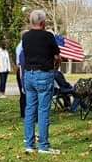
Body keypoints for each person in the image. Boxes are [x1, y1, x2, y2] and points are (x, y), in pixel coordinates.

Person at [21, 9, 60, 154]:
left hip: (28, 75)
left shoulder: (25, 37)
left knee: (30, 109)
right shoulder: (48, 36)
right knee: (43, 111)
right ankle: (43, 145)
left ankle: (29, 145)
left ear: (31, 22)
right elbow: (56, 55)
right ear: (43, 22)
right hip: (43, 74)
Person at [14, 31, 27, 119]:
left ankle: (25, 112)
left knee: (25, 93)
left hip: (23, 69)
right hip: (22, 70)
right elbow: (20, 62)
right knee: (23, 92)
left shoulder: (22, 45)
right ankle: (23, 113)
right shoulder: (21, 46)